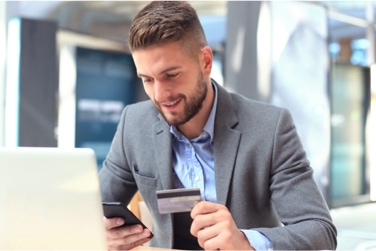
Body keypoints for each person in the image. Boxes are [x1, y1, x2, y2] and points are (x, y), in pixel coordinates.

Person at [99, 1, 337, 250]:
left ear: (205, 62)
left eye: (171, 75)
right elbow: (94, 209)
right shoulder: (134, 125)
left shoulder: (270, 128)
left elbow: (320, 231)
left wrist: (246, 242)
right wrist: (101, 232)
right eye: (147, 79)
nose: (159, 94)